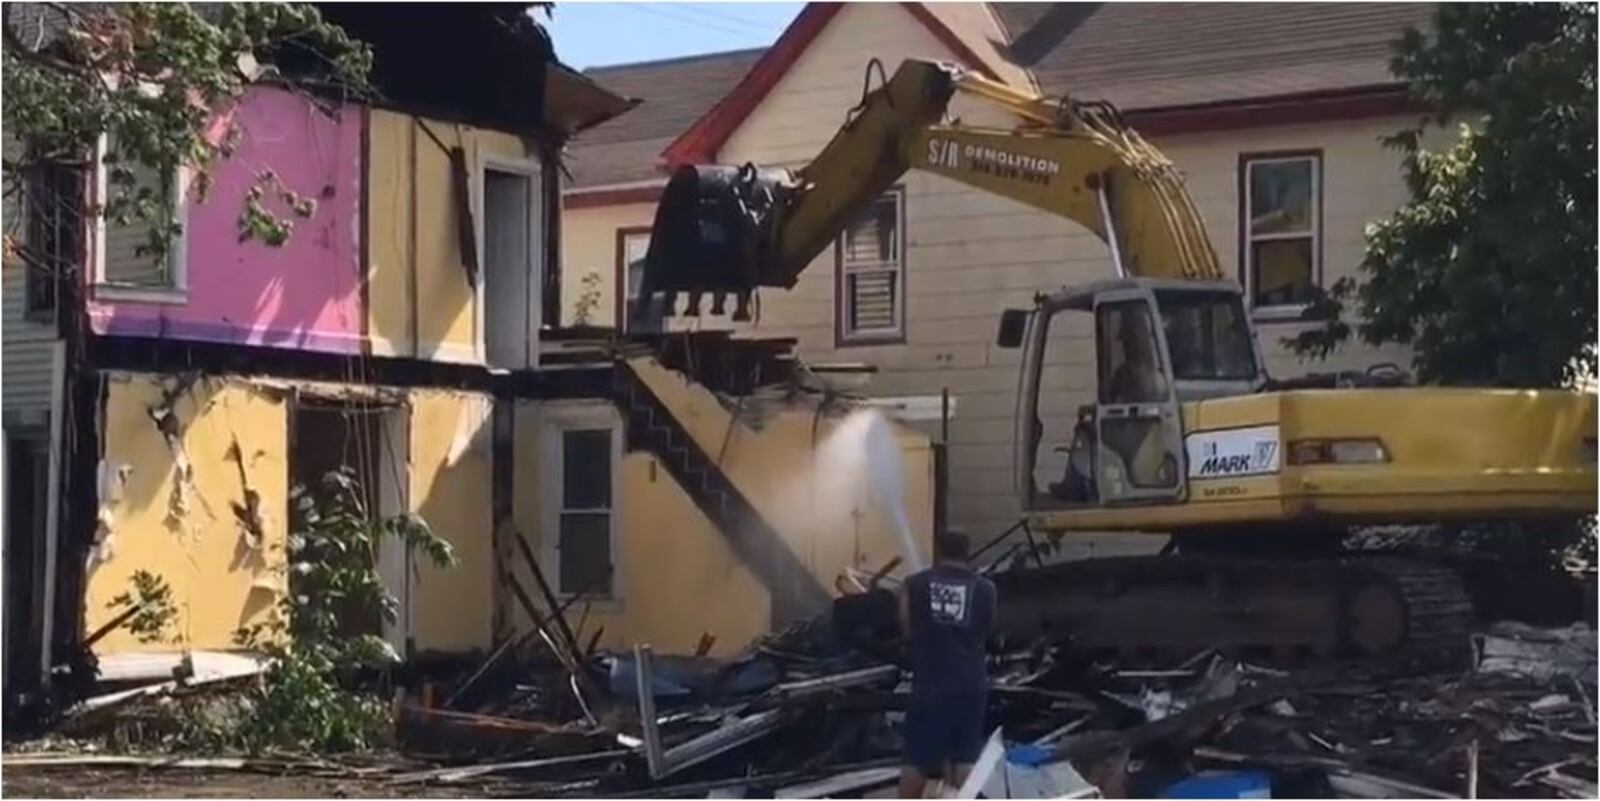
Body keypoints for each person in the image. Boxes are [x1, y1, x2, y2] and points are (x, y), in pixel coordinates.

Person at [898, 530, 998, 798]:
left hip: (931, 684)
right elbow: (986, 630)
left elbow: (907, 630)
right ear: (966, 552)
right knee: (965, 758)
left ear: (938, 550)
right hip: (971, 685)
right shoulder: (986, 589)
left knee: (917, 759)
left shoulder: (914, 585)